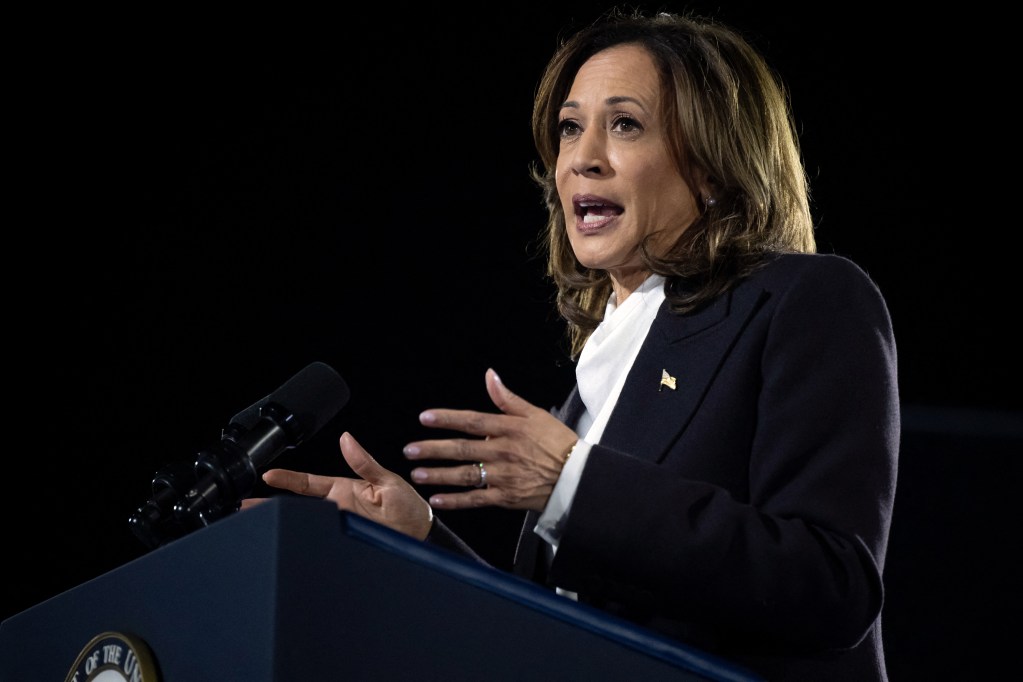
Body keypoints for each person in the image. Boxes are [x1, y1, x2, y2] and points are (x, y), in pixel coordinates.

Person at [241, 7, 899, 681]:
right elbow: (562, 637)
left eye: (625, 124)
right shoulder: (592, 386)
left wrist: (576, 486)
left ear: (710, 164)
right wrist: (423, 546)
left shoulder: (804, 300)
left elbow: (832, 585)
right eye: (570, 128)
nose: (582, 159)